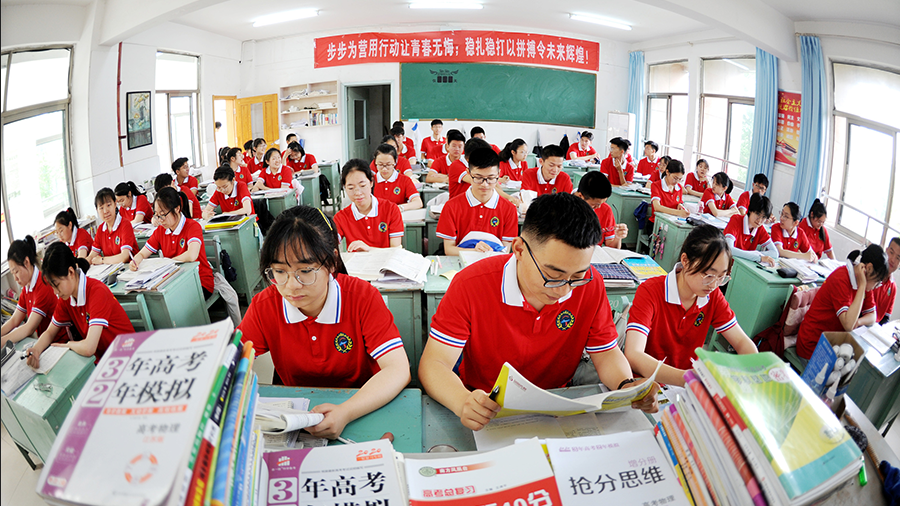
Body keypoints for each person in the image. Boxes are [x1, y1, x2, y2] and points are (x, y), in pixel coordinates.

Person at [420, 192, 659, 430]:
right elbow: (434, 363)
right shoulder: (471, 284)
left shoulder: (590, 283)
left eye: (577, 275)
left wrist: (626, 386)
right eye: (553, 275)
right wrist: (462, 401)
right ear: (519, 249)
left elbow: (605, 352)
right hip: (487, 405)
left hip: (559, 402)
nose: (564, 290)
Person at [238, 206, 409, 438]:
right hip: (299, 419)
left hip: (363, 407)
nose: (291, 286)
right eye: (279, 271)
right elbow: (231, 363)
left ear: (331, 261)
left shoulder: (362, 297)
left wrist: (346, 412)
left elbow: (398, 369)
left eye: (305, 271)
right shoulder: (265, 305)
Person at [624, 225, 757, 386]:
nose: (713, 284)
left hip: (686, 387)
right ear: (685, 261)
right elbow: (633, 354)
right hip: (647, 384)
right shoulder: (651, 291)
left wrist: (757, 370)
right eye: (708, 275)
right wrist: (687, 378)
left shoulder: (712, 296)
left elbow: (742, 342)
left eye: (721, 277)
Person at [26, 242, 134, 367]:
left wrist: (68, 345)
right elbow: (50, 332)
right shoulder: (66, 298)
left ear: (71, 272)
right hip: (106, 361)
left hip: (128, 358)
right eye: (52, 287)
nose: (55, 292)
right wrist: (36, 349)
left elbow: (89, 348)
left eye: (57, 285)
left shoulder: (97, 292)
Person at [796, 245, 889, 359]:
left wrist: (858, 322)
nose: (876, 286)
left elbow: (873, 317)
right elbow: (848, 325)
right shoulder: (842, 279)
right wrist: (862, 286)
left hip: (832, 344)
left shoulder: (864, 282)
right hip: (813, 345)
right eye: (877, 282)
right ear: (868, 268)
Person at [130, 187, 215, 298]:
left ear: (177, 209)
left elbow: (191, 255)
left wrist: (167, 263)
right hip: (173, 282)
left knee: (172, 300)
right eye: (157, 215)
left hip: (199, 281)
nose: (160, 220)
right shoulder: (160, 231)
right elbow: (142, 253)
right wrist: (136, 260)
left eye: (163, 214)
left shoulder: (192, 226)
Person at [436, 148, 518, 256]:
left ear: (498, 174)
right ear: (468, 173)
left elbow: (505, 251)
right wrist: (476, 252)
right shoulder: (451, 206)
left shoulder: (509, 209)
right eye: (478, 178)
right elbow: (449, 250)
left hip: (492, 263)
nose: (484, 184)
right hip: (461, 263)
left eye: (491, 178)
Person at [333, 159, 403, 251]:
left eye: (362, 186)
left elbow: (395, 251)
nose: (357, 193)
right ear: (345, 188)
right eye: (351, 188)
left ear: (371, 183)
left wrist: (369, 249)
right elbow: (329, 244)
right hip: (357, 260)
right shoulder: (341, 217)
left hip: (386, 260)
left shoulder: (391, 210)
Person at [1, 236, 56, 347]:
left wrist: (2, 341)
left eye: (16, 272)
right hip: (45, 342)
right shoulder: (27, 287)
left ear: (26, 262)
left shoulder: (43, 285)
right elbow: (14, 320)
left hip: (57, 343)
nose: (15, 278)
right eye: (12, 274)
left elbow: (29, 328)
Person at [574, 171, 627, 248]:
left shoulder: (605, 210)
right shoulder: (566, 208)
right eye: (595, 204)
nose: (599, 207)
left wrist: (618, 237)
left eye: (602, 203)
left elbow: (611, 247)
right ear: (580, 196)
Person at [86, 188, 138, 266]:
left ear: (115, 204)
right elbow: (92, 256)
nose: (105, 211)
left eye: (109, 205)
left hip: (131, 267)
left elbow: (124, 257)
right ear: (97, 210)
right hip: (112, 269)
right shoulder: (101, 229)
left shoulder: (125, 224)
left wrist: (102, 260)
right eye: (101, 208)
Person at [724, 193, 778, 267]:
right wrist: (759, 257)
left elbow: (775, 253)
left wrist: (751, 255)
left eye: (764, 217)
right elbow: (729, 249)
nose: (759, 220)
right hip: (725, 264)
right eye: (757, 214)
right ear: (750, 210)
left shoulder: (760, 228)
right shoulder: (736, 220)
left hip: (742, 266)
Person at [371, 143, 422, 211]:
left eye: (388, 165)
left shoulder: (404, 180)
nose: (384, 169)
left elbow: (418, 203)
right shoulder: (370, 181)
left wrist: (399, 208)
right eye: (380, 164)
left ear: (395, 162)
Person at [649, 159, 688, 224]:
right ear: (667, 172)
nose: (677, 181)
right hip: (657, 222)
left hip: (672, 222)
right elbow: (657, 207)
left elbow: (679, 202)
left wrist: (680, 206)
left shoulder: (679, 188)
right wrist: (678, 212)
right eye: (675, 178)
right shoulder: (656, 185)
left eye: (680, 179)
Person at [873, 237, 899, 325]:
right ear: (886, 251)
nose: (893, 260)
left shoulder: (893, 287)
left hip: (874, 329)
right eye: (891, 253)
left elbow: (885, 318)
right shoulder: (872, 274)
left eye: (898, 258)